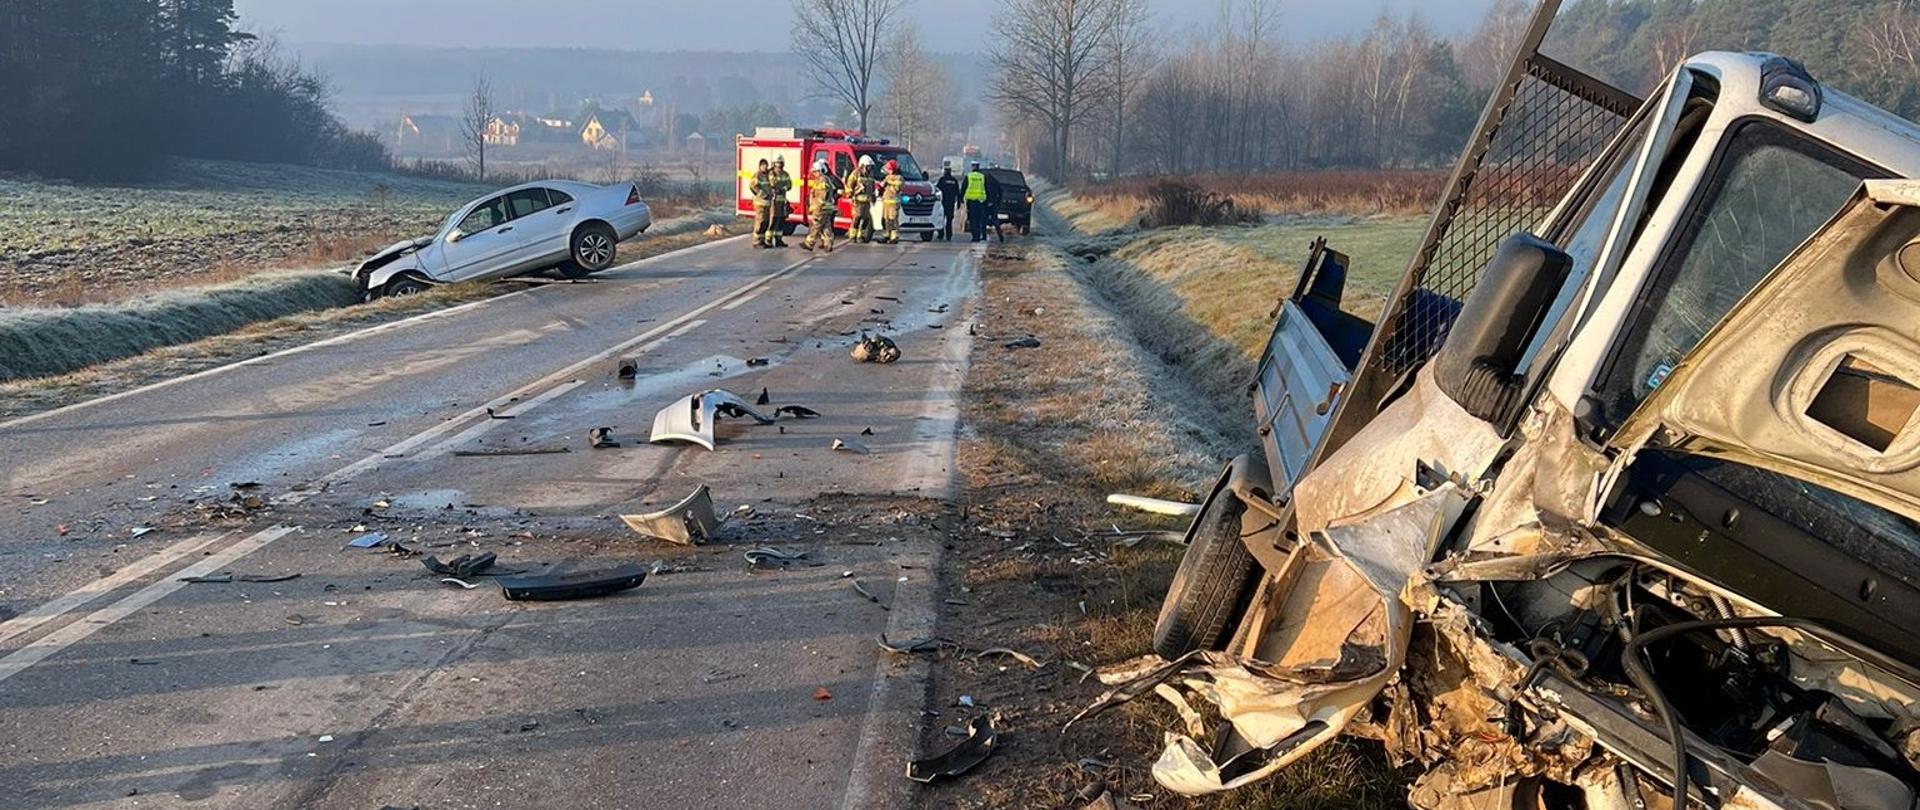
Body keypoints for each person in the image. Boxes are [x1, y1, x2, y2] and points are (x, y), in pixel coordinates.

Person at [801, 159, 838, 253]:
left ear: (820, 170)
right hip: (827, 207)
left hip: (821, 208)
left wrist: (816, 206)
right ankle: (828, 244)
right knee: (826, 226)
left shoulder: (822, 180)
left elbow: (822, 195)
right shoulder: (826, 179)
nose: (814, 174)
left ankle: (809, 243)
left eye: (815, 172)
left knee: (815, 226)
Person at [845, 155, 876, 243]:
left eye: (870, 166)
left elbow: (872, 187)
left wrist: (873, 196)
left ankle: (861, 235)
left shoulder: (870, 175)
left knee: (865, 219)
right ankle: (853, 235)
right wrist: (850, 194)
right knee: (857, 217)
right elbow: (849, 184)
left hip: (867, 201)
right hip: (858, 201)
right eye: (868, 166)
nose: (870, 168)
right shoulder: (856, 173)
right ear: (862, 165)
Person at [768, 155, 793, 247]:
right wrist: (778, 187)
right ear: (774, 164)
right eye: (777, 163)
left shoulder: (785, 174)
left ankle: (779, 240)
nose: (779, 165)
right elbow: (772, 184)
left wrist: (782, 188)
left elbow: (789, 185)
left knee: (781, 221)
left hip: (782, 202)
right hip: (773, 202)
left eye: (780, 163)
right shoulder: (771, 174)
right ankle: (768, 241)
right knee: (772, 221)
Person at [749, 158, 773, 249]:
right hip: (760, 203)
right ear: (760, 166)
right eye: (763, 165)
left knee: (765, 223)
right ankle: (756, 241)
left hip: (767, 204)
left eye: (766, 165)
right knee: (760, 222)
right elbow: (752, 186)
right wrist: (761, 194)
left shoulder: (767, 175)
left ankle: (762, 241)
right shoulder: (757, 175)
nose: (765, 167)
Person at [879, 159, 904, 244]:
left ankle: (894, 236)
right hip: (886, 202)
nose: (888, 171)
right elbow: (882, 186)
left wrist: (889, 182)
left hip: (893, 202)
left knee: (893, 220)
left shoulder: (899, 178)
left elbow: (897, 188)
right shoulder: (887, 177)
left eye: (889, 169)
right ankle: (886, 235)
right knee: (886, 220)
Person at [962, 161, 988, 242]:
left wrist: (960, 199)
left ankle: (974, 236)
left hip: (971, 202)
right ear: (978, 167)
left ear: (972, 167)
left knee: (973, 220)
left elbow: (963, 188)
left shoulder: (969, 176)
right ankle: (979, 234)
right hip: (980, 201)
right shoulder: (982, 177)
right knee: (979, 219)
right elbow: (987, 189)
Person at [935, 162, 960, 242]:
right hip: (951, 203)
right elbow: (957, 193)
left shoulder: (942, 180)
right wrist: (959, 202)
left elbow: (937, 190)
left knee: (941, 219)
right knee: (949, 219)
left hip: (943, 203)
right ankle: (949, 235)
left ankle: (941, 234)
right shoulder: (954, 180)